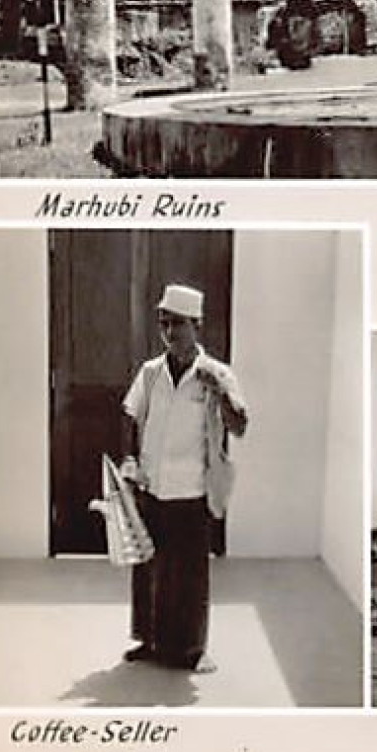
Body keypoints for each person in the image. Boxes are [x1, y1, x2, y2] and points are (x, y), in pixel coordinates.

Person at [119, 283, 249, 673]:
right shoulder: (150, 372)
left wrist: (220, 392)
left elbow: (239, 425)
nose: (170, 332)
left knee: (190, 574)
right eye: (164, 324)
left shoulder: (217, 374)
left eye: (178, 323)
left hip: (192, 489)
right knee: (147, 566)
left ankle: (191, 649)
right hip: (151, 483)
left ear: (197, 325)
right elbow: (130, 414)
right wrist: (129, 459)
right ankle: (148, 640)